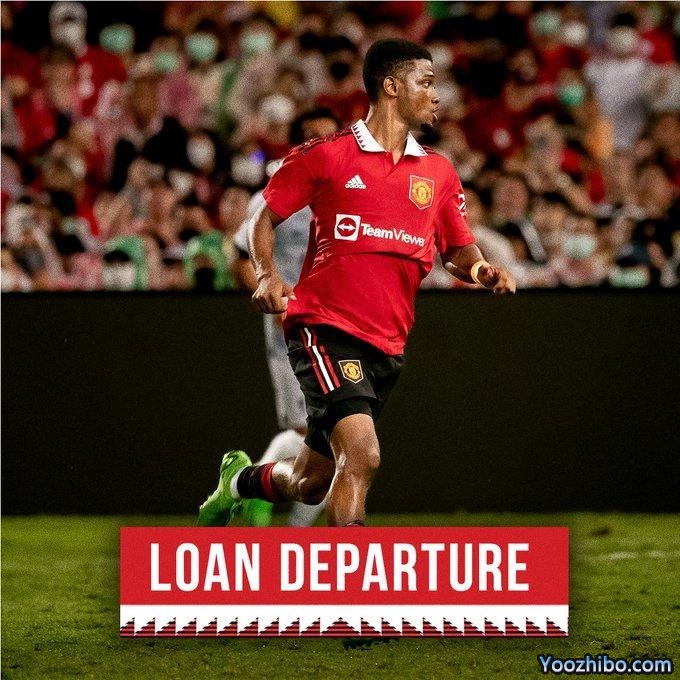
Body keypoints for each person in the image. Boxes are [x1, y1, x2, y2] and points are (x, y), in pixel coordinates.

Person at [198, 39, 516, 528]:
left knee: (311, 480)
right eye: (426, 82)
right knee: (363, 456)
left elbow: (456, 250)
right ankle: (349, 572)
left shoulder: (438, 171)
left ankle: (237, 482)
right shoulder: (327, 155)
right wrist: (267, 275)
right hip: (324, 328)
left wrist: (481, 271)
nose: (437, 95)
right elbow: (262, 216)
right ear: (391, 87)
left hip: (387, 343)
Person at [231, 108, 340, 527]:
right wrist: (269, 289)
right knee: (309, 429)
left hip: (340, 325)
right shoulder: (274, 194)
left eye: (330, 137)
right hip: (291, 327)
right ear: (297, 145)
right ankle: (248, 492)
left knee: (335, 434)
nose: (322, 145)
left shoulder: (352, 193)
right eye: (312, 136)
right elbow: (240, 256)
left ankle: (251, 492)